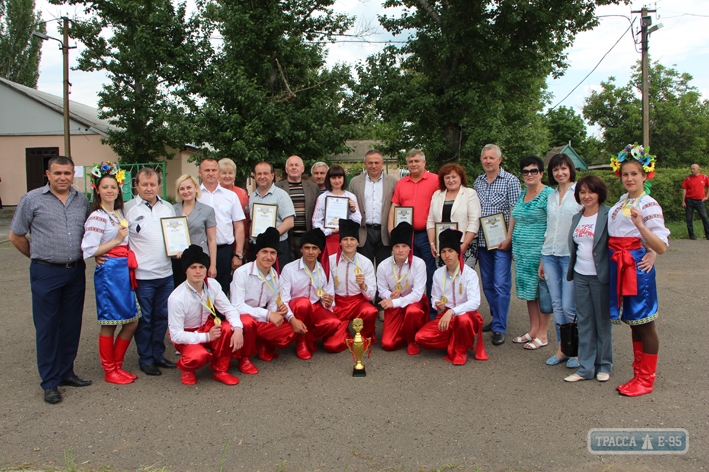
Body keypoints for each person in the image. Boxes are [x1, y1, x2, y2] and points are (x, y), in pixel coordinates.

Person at [9, 155, 92, 404]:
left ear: (73, 174)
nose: (63, 178)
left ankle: (66, 372)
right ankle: (50, 381)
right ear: (48, 175)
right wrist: (37, 256)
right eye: (57, 173)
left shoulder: (82, 200)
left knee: (70, 324)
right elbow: (16, 236)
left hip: (75, 271)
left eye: (67, 173)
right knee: (47, 327)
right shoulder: (32, 199)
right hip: (46, 272)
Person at [607, 145, 669, 396]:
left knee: (645, 323)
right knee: (634, 323)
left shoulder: (648, 203)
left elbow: (661, 245)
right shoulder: (623, 201)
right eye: (625, 174)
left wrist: (641, 228)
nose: (630, 178)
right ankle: (638, 374)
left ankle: (646, 379)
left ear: (645, 175)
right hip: (620, 264)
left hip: (635, 267)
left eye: (634, 174)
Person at [81, 162, 140, 385]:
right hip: (109, 272)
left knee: (131, 320)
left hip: (122, 269)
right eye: (105, 187)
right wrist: (115, 241)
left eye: (113, 187)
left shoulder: (116, 213)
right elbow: (88, 250)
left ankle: (117, 365)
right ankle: (109, 369)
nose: (109, 191)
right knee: (110, 321)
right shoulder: (97, 216)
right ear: (97, 190)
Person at [124, 167, 177, 376]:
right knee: (145, 319)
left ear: (159, 185)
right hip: (142, 276)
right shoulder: (129, 208)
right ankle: (145, 358)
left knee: (162, 316)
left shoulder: (168, 208)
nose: (148, 188)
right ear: (136, 185)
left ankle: (158, 354)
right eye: (144, 184)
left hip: (166, 273)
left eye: (152, 184)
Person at [168, 245, 245, 385]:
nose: (198, 271)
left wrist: (238, 328)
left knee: (228, 329)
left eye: (202, 267)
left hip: (207, 325)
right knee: (198, 356)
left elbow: (228, 309)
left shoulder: (212, 284)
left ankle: (220, 370)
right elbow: (176, 335)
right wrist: (207, 337)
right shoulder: (177, 298)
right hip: (187, 333)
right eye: (193, 267)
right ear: (186, 270)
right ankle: (188, 369)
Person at [230, 227, 305, 364]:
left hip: (262, 318)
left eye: (273, 253)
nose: (268, 256)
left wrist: (283, 314)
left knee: (292, 330)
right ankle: (243, 358)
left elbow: (274, 303)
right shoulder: (242, 273)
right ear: (257, 254)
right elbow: (237, 305)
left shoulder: (276, 276)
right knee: (247, 321)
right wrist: (268, 315)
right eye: (264, 252)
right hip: (243, 319)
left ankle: (263, 343)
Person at [563, 175, 612, 383]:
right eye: (582, 192)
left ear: (599, 192)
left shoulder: (609, 214)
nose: (586, 196)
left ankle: (604, 365)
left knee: (602, 322)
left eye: (591, 191)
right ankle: (585, 367)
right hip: (580, 274)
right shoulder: (577, 217)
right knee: (584, 321)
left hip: (601, 276)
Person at [415, 229, 488, 365]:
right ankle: (455, 340)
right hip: (446, 317)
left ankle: (461, 349)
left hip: (465, 315)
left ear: (458, 252)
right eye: (443, 251)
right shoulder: (438, 274)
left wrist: (451, 311)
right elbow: (434, 297)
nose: (447, 255)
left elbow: (475, 302)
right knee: (420, 337)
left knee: (463, 320)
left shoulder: (469, 274)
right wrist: (437, 304)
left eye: (450, 251)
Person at [473, 144, 522, 346]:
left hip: (502, 241)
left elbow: (515, 212)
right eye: (485, 158)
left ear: (499, 160)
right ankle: (496, 319)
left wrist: (509, 238)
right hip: (483, 242)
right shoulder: (478, 182)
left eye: (492, 158)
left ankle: (500, 327)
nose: (488, 161)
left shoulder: (511, 181)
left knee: (502, 284)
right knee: (488, 284)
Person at [539, 154, 582, 369]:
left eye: (563, 169)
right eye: (556, 170)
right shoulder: (550, 195)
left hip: (570, 255)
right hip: (549, 254)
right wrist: (541, 259)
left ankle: (578, 350)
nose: (560, 173)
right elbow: (549, 227)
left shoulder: (580, 193)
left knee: (569, 306)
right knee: (556, 305)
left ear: (570, 170)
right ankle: (563, 348)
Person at [510, 155, 553, 350]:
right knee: (529, 293)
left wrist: (545, 255)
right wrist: (510, 242)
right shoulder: (522, 194)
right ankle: (533, 329)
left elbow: (553, 226)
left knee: (542, 293)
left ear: (541, 173)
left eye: (533, 171)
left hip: (539, 252)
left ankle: (543, 334)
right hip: (521, 252)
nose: (529, 174)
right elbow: (515, 218)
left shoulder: (549, 195)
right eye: (525, 171)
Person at [279, 228, 341, 359]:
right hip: (296, 308)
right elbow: (283, 300)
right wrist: (291, 319)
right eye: (307, 248)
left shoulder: (324, 269)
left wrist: (329, 303)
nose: (310, 252)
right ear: (301, 249)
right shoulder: (289, 269)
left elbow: (330, 296)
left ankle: (308, 338)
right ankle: (301, 342)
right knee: (303, 303)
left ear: (320, 251)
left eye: (314, 248)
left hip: (315, 306)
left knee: (333, 322)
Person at [388, 149, 440, 301]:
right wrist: (392, 230)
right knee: (408, 274)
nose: (413, 164)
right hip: (406, 237)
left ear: (424, 162)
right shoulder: (401, 183)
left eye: (417, 161)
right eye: (410, 162)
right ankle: (410, 308)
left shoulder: (435, 180)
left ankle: (431, 312)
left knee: (431, 273)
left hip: (427, 235)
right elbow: (394, 207)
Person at [323, 219, 378, 353]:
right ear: (340, 242)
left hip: (358, 301)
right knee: (332, 346)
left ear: (358, 242)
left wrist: (363, 285)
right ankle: (344, 332)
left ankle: (365, 335)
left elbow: (371, 295)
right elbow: (325, 287)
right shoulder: (330, 261)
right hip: (339, 303)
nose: (349, 243)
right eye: (345, 239)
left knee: (370, 311)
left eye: (352, 239)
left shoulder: (365, 263)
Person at [376, 222, 429, 354]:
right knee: (388, 344)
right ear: (392, 248)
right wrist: (390, 296)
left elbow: (417, 293)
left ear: (410, 248)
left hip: (413, 303)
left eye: (404, 246)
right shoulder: (383, 266)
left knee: (412, 312)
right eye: (397, 246)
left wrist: (394, 301)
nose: (400, 250)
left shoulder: (419, 264)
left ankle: (412, 339)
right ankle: (402, 332)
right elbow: (382, 290)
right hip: (394, 304)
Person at [349, 150, 398, 287]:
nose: (373, 165)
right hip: (364, 231)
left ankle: (381, 300)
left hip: (384, 231)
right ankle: (367, 302)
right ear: (365, 164)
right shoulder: (355, 182)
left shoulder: (393, 182)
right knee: (365, 267)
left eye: (377, 162)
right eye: (370, 163)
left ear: (382, 164)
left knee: (384, 269)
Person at [197, 158, 246, 293]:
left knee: (222, 290)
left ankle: (221, 315)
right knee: (200, 289)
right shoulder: (195, 195)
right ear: (200, 172)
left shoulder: (231, 196)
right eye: (207, 170)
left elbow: (239, 226)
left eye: (214, 170)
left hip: (224, 251)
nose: (211, 173)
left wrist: (238, 255)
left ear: (218, 172)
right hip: (200, 250)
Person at [427, 163, 481, 268]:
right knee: (445, 279)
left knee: (463, 279)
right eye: (447, 177)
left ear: (461, 177)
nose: (450, 180)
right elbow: (430, 221)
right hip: (443, 245)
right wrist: (432, 243)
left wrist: (464, 245)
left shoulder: (470, 193)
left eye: (454, 176)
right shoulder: (437, 195)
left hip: (464, 245)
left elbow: (474, 222)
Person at [249, 162, 296, 270]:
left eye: (265, 173)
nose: (262, 177)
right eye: (259, 174)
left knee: (277, 281)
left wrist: (271, 235)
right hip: (257, 246)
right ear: (255, 176)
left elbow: (289, 222)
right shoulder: (252, 197)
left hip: (277, 246)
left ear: (272, 175)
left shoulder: (281, 195)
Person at [172, 175, 217, 287]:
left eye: (189, 187)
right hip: (178, 259)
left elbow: (212, 240)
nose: (186, 191)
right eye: (182, 189)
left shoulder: (207, 210)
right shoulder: (172, 209)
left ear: (196, 188)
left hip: (199, 261)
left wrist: (213, 265)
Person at [276, 155, 320, 260]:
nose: (294, 167)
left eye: (297, 165)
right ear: (286, 169)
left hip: (307, 236)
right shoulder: (277, 187)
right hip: (287, 236)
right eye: (291, 165)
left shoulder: (313, 187)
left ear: (302, 169)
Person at [312, 165, 362, 256]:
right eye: (333, 178)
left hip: (347, 241)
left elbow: (358, 222)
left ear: (344, 178)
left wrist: (353, 210)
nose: (337, 181)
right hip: (329, 239)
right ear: (329, 179)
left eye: (339, 177)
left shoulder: (351, 196)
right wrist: (330, 231)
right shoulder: (322, 198)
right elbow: (315, 222)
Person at [218, 158, 250, 235]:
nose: (227, 176)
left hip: (239, 233)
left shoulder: (242, 193)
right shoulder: (214, 193)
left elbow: (247, 216)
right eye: (224, 173)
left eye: (230, 173)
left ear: (234, 174)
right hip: (221, 235)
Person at [681, 163, 709, 240]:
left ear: (698, 169)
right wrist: (683, 201)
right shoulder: (688, 178)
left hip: (700, 201)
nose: (692, 170)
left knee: (704, 218)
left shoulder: (704, 177)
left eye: (693, 169)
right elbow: (684, 190)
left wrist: (707, 196)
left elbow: (708, 186)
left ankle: (708, 234)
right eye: (691, 169)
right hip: (689, 200)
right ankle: (692, 235)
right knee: (689, 219)